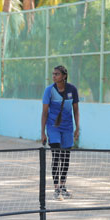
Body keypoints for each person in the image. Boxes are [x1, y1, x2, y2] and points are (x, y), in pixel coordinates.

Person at [41, 65, 80, 201]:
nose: (54, 76)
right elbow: (44, 112)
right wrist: (43, 132)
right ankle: (56, 188)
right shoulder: (49, 90)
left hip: (67, 128)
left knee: (66, 157)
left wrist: (77, 128)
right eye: (53, 74)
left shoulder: (72, 90)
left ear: (64, 76)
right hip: (53, 127)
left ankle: (63, 186)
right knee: (56, 156)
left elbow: (76, 110)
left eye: (57, 74)